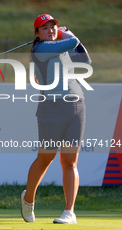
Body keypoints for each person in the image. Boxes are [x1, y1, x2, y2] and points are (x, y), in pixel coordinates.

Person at [20, 14, 92, 224]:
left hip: (76, 106)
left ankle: (69, 211)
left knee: (69, 162)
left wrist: (65, 37)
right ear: (37, 33)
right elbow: (73, 42)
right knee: (46, 159)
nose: (51, 30)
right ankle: (28, 199)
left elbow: (85, 59)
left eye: (53, 26)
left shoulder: (61, 48)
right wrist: (65, 33)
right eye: (45, 28)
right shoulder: (40, 50)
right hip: (51, 109)